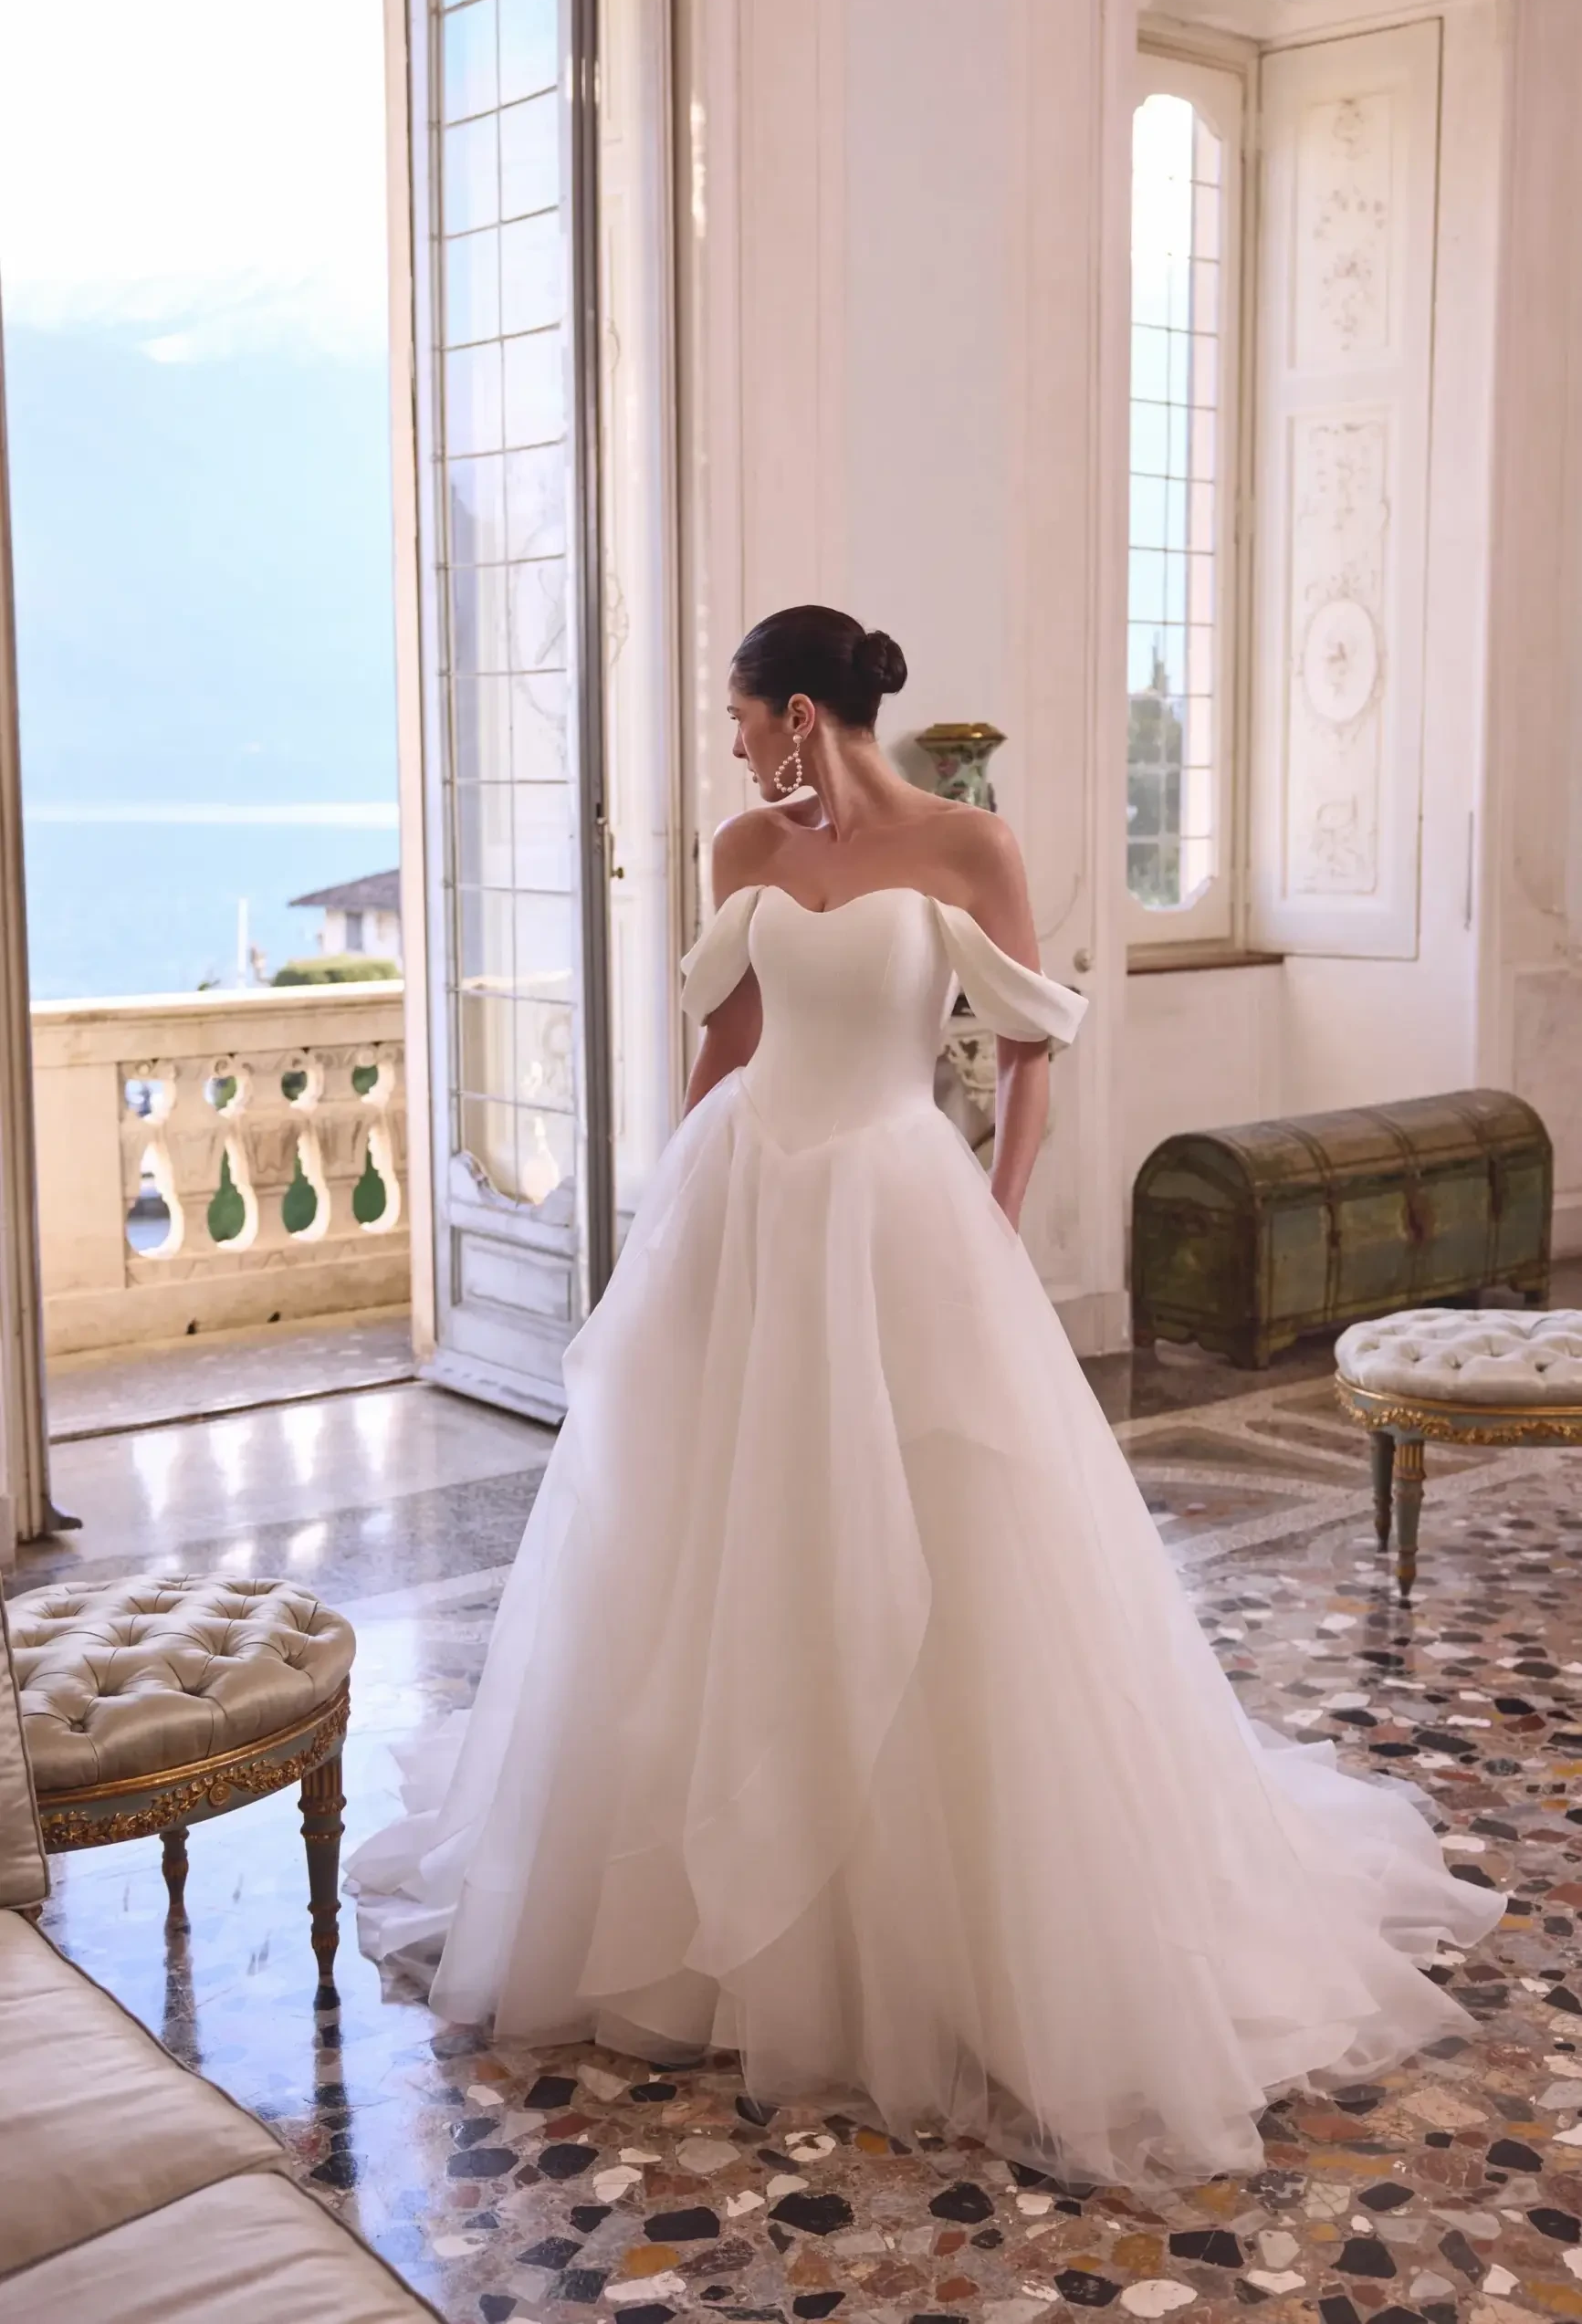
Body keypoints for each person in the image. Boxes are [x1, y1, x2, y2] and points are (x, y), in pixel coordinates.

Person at [349, 603, 1503, 2188]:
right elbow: (729, 1046)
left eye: (743, 717)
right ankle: (713, 1907)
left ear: (806, 713)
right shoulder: (744, 850)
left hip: (901, 1202)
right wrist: (664, 1233)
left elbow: (1030, 1053)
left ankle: (946, 1917)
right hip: (751, 1202)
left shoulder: (972, 847)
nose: (734, 744)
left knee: (949, 1533)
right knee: (713, 1533)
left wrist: (994, 1214)